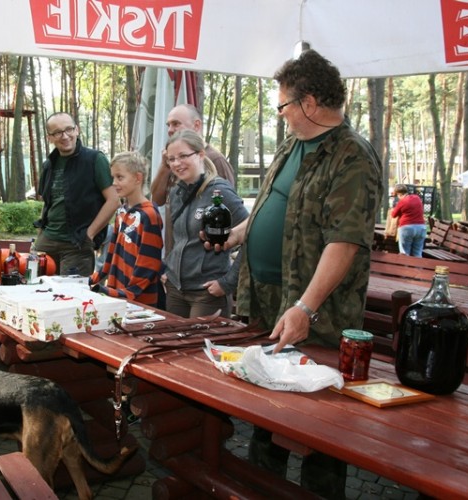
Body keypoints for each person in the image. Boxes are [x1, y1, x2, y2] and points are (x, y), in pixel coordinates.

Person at [216, 49, 382, 499]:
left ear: (309, 102)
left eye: (284, 105)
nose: (282, 115)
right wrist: (237, 234)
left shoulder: (352, 156)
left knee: (322, 426)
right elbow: (276, 204)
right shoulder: (293, 145)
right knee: (267, 408)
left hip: (315, 313)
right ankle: (260, 489)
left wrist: (306, 306)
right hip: (267, 300)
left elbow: (345, 241)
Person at [163, 130, 247, 318]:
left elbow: (253, 232)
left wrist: (228, 282)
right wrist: (168, 269)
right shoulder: (177, 193)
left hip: (207, 292)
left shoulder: (220, 192)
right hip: (176, 289)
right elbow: (177, 239)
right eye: (171, 159)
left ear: (200, 154)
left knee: (200, 346)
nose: (177, 163)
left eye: (183, 156)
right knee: (173, 345)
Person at [34, 112, 119, 276]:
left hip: (77, 242)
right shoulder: (48, 165)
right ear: (49, 137)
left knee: (71, 296)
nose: (65, 136)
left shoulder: (95, 159)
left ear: (77, 130)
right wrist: (40, 235)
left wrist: (90, 234)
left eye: (69, 129)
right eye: (57, 132)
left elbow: (113, 201)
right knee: (37, 290)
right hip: (47, 241)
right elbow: (48, 203)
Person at [89, 151, 163, 306]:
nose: (114, 183)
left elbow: (149, 264)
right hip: (117, 294)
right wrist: (95, 278)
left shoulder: (149, 215)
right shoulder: (121, 211)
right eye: (113, 177)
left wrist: (128, 292)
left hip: (140, 301)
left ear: (138, 178)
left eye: (120, 177)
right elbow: (112, 251)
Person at [390, 184, 426, 257]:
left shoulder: (402, 202)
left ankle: (405, 268)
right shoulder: (417, 198)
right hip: (421, 227)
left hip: (406, 228)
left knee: (405, 254)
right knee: (418, 253)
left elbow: (393, 215)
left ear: (399, 194)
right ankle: (418, 268)